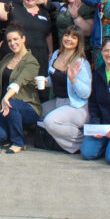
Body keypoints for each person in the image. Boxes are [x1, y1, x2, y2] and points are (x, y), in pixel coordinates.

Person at [0, 23, 41, 154]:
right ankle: (18, 128)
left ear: (23, 39)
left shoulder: (31, 61)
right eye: (9, 41)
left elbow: (18, 82)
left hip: (27, 107)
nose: (12, 43)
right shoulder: (8, 58)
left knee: (12, 105)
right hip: (7, 107)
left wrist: (6, 98)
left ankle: (19, 142)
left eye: (16, 39)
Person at [40, 26, 92, 154]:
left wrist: (74, 79)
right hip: (59, 102)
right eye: (67, 35)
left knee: (50, 122)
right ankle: (65, 141)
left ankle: (82, 143)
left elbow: (86, 93)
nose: (69, 39)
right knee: (37, 112)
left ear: (79, 41)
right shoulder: (56, 54)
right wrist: (45, 82)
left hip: (77, 106)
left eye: (74, 37)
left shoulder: (81, 62)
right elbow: (54, 79)